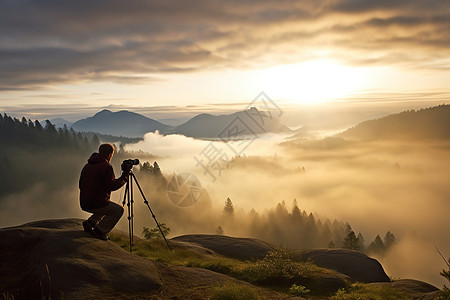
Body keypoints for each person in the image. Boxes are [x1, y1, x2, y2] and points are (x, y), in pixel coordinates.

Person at [79, 143, 128, 240]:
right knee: (118, 210)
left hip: (84, 202)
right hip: (96, 203)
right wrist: (124, 177)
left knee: (105, 204)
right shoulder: (106, 166)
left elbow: (80, 184)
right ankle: (100, 231)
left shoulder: (87, 165)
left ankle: (90, 223)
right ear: (110, 154)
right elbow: (112, 186)